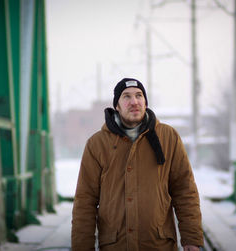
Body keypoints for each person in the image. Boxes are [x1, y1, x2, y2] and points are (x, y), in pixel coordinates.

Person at [72, 78, 204, 251]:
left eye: (139, 95)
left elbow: (185, 190)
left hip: (159, 244)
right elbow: (85, 200)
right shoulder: (97, 144)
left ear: (145, 102)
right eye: (126, 96)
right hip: (115, 245)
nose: (134, 101)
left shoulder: (168, 137)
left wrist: (191, 239)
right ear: (117, 106)